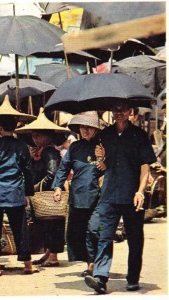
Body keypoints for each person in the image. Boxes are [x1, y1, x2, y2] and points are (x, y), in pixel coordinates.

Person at [84, 101, 156, 294]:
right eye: (115, 109)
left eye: (123, 109)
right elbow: (104, 167)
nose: (119, 113)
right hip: (109, 194)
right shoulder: (105, 135)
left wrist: (141, 191)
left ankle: (132, 278)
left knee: (135, 239)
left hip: (132, 195)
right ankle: (100, 277)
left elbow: (145, 166)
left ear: (130, 111)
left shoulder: (139, 135)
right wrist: (100, 158)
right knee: (104, 237)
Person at [0, 115, 38, 276]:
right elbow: (28, 172)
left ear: (0, 128)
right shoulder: (22, 146)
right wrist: (28, 193)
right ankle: (27, 265)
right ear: (15, 127)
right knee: (20, 229)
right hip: (15, 193)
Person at [52, 112, 106, 277]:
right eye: (83, 127)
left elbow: (112, 168)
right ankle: (90, 262)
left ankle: (94, 264)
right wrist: (58, 187)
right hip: (78, 195)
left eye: (90, 127)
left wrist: (103, 161)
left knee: (93, 230)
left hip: (98, 196)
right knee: (78, 231)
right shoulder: (75, 147)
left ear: (96, 129)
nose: (86, 131)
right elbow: (64, 167)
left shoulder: (103, 146)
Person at [16, 108, 70, 267]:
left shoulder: (50, 153)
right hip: (42, 194)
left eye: (38, 134)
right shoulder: (40, 152)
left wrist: (36, 187)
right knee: (46, 225)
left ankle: (53, 256)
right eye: (33, 134)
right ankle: (49, 253)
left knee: (53, 224)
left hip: (50, 193)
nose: (34, 137)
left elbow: (51, 174)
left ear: (48, 136)